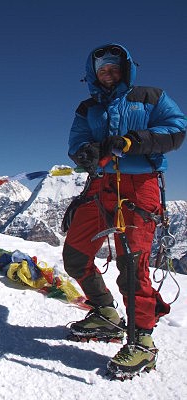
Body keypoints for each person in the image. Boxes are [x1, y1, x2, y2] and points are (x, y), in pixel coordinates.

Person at [64, 43, 185, 378]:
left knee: (132, 266)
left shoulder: (151, 97)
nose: (108, 73)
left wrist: (136, 141)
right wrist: (88, 152)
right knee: (75, 254)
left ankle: (142, 342)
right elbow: (76, 144)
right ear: (93, 73)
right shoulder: (87, 107)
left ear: (126, 69)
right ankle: (105, 312)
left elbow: (177, 129)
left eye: (113, 67)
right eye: (102, 69)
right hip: (100, 186)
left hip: (140, 185)